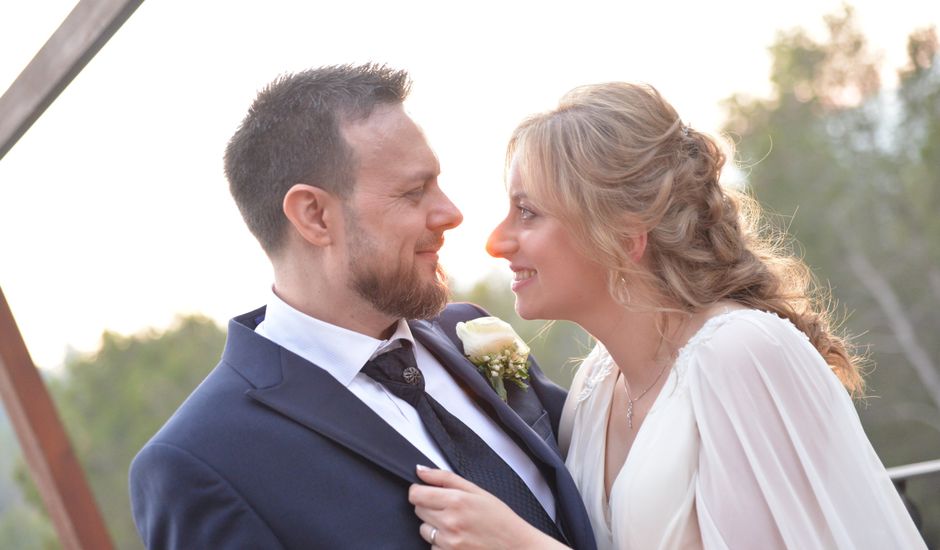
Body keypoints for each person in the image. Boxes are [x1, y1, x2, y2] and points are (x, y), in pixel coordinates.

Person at [407, 82, 927, 549]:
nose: (496, 242)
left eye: (528, 211)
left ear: (624, 234)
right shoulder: (593, 389)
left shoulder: (741, 355)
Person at [128, 63, 596, 550]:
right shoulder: (204, 461)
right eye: (414, 192)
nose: (451, 213)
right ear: (314, 216)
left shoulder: (470, 331)